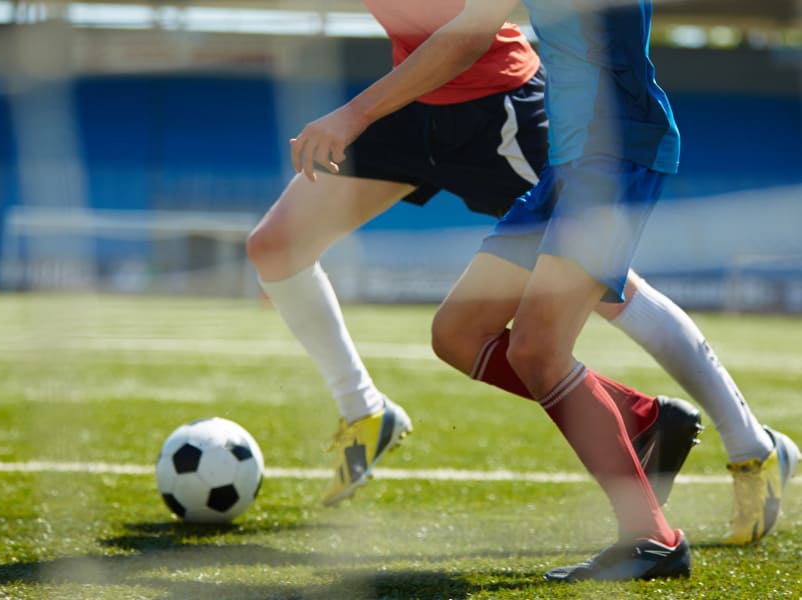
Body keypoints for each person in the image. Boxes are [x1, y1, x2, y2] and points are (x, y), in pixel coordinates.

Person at [247, 0, 798, 553]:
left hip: (502, 110)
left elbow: (466, 35)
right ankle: (365, 408)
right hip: (415, 100)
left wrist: (353, 114)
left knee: (599, 298)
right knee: (297, 257)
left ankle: (748, 446)